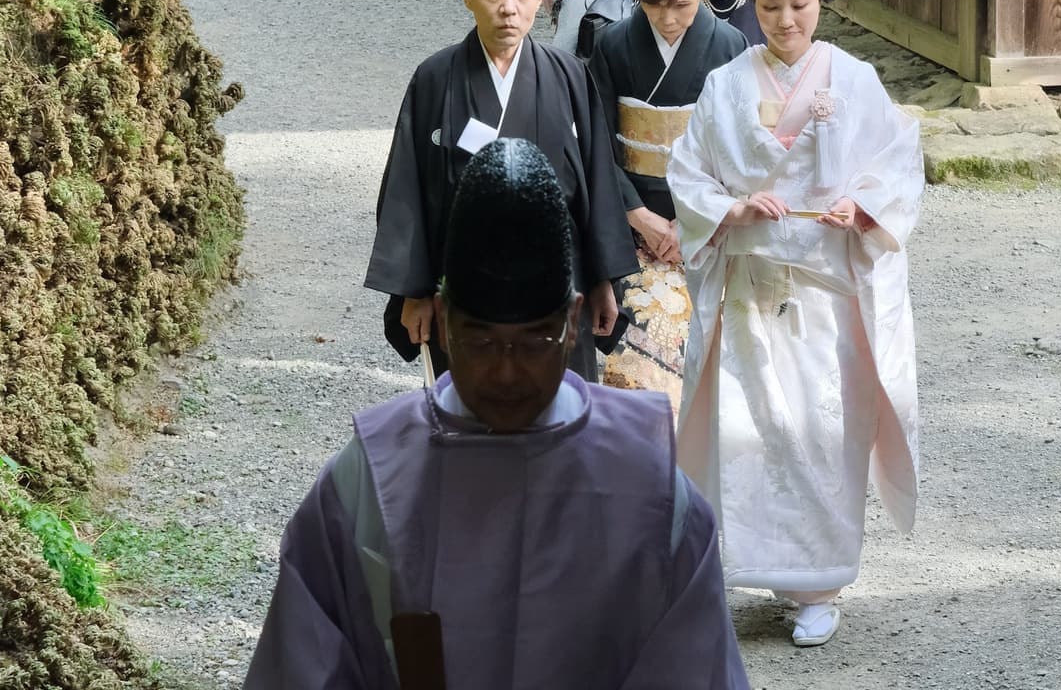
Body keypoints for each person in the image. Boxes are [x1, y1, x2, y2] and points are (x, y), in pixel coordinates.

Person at [247, 139, 751, 690]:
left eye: (535, 341)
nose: (507, 374)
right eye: (482, 341)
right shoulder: (367, 479)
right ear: (443, 322)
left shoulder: (653, 487)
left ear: (573, 321)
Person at [667, 0, 925, 649]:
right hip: (752, 288)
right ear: (752, 3)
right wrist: (733, 207)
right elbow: (688, 170)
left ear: (821, 1)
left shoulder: (855, 79)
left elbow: (898, 161)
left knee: (822, 435)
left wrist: (862, 204)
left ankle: (820, 586)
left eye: (800, 6)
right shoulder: (724, 84)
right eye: (771, 6)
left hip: (825, 293)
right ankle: (753, 570)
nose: (785, 21)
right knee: (748, 434)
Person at [364, 0, 636, 383]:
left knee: (560, 408)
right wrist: (413, 291)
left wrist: (604, 281)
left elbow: (599, 183)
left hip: (559, 285)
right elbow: (407, 188)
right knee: (472, 409)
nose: (509, 7)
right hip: (464, 285)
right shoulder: (435, 78)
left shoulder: (569, 76)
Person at [586, 0, 745, 406]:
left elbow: (739, 151)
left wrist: (692, 220)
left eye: (682, 5)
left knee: (718, 362)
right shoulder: (613, 44)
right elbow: (597, 146)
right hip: (633, 223)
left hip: (707, 223)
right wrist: (639, 216)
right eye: (655, 5)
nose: (669, 18)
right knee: (635, 363)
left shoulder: (730, 45)